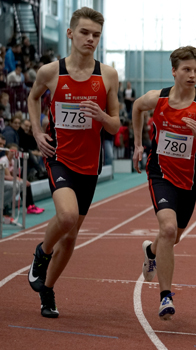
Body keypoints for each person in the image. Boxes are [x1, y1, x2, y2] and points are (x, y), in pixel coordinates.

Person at [26, 7, 120, 318]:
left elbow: (115, 125)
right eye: (84, 32)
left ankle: (48, 290)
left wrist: (102, 116)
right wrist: (38, 131)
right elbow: (33, 97)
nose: (90, 39)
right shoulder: (51, 72)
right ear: (70, 33)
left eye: (96, 35)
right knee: (65, 218)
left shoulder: (107, 76)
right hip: (59, 157)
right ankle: (42, 253)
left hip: (90, 166)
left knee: (72, 236)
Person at [132, 46, 196, 320]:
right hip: (161, 172)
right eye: (187, 69)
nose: (193, 75)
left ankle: (151, 250)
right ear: (174, 71)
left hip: (190, 180)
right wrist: (138, 145)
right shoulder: (158, 99)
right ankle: (165, 297)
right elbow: (136, 107)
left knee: (174, 237)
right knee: (168, 229)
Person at [0, 143, 45, 215]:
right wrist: (21, 180)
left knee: (26, 184)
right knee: (20, 184)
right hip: (3, 181)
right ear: (7, 151)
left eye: (16, 151)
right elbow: (8, 176)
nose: (14, 153)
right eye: (12, 151)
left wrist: (22, 180)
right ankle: (3, 205)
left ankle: (31, 206)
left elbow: (14, 175)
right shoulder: (3, 160)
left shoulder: (14, 161)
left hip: (8, 180)